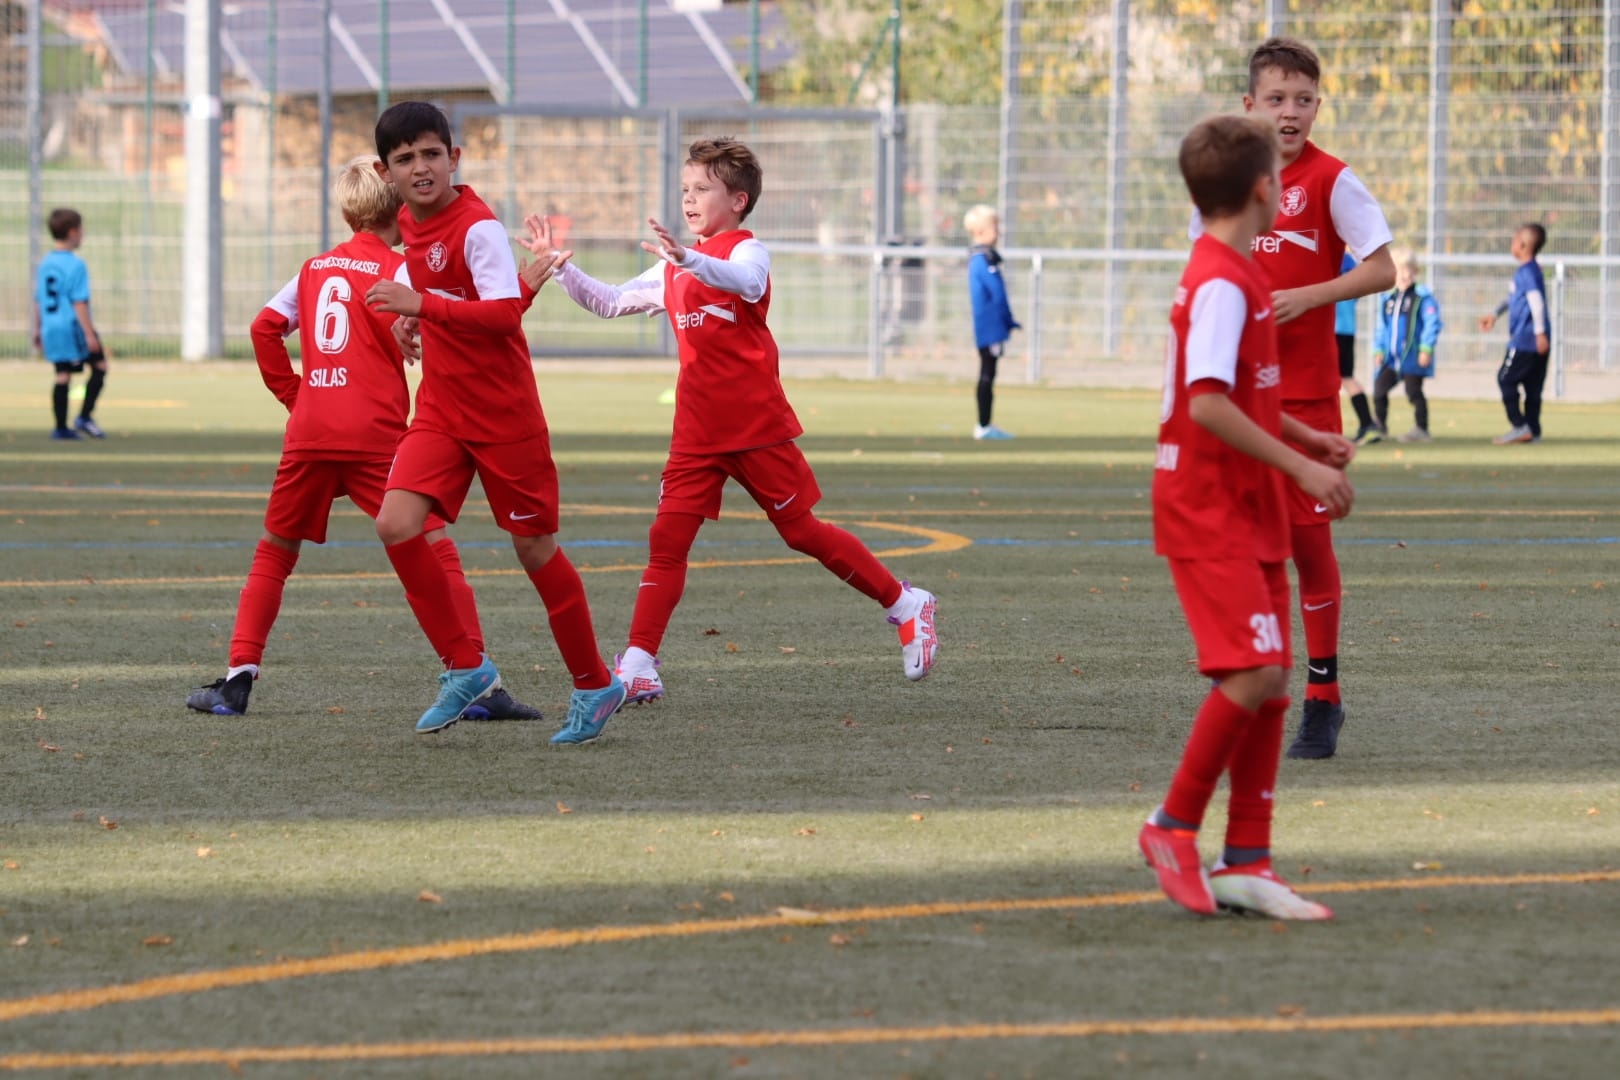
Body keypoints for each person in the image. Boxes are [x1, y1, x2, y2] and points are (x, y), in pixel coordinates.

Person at [521, 136, 940, 709]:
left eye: (702, 189)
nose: (689, 199)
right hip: (697, 433)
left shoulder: (748, 251)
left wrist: (689, 259)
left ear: (738, 200)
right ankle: (639, 664)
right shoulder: (675, 264)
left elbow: (746, 283)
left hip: (755, 427)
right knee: (667, 541)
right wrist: (559, 267)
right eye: (685, 189)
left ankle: (906, 604)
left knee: (801, 532)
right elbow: (610, 301)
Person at [183, 158, 543, 724]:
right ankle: (478, 679)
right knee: (434, 545)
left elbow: (263, 327)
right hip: (375, 434)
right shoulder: (402, 268)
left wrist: (297, 396)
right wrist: (523, 288)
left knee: (275, 550)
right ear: (399, 205)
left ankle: (237, 680)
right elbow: (465, 322)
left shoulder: (314, 268)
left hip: (311, 431)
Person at [1141, 113, 1353, 920]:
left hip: (1246, 501)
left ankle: (1247, 861)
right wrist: (1302, 466)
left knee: (1271, 683)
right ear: (1265, 189)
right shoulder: (1225, 281)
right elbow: (1205, 403)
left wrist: (1305, 437)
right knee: (1255, 672)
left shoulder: (1235, 272)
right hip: (1210, 505)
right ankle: (1171, 825)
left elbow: (1243, 389)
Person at [363, 101, 624, 742]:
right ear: (386, 171)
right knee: (396, 523)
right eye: (405, 159)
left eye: (432, 154)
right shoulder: (408, 222)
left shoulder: (478, 226)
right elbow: (451, 296)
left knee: (534, 550)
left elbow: (503, 316)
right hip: (442, 410)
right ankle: (467, 668)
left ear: (454, 157)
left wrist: (421, 305)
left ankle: (596, 684)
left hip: (505, 416)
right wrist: (410, 323)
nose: (421, 168)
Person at [1229, 36, 1395, 760]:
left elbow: (1384, 270)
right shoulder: (1233, 180)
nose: (1289, 112)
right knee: (1244, 551)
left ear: (1318, 106)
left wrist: (1311, 295)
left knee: (1307, 546)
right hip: (1239, 401)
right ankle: (1257, 688)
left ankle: (1323, 696)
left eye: (1302, 100)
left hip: (1305, 400)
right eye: (1276, 99)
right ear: (1251, 105)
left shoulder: (1333, 180)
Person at [32, 208, 109, 440]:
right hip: (72, 327)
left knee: (63, 374)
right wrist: (89, 333)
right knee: (100, 366)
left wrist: (37, 328)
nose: (83, 234)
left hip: (51, 327)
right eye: (82, 230)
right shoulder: (76, 265)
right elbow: (79, 302)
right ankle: (84, 417)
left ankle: (60, 428)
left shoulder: (45, 263)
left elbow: (38, 299)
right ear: (73, 232)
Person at [1480, 223, 1550, 444]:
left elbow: (1536, 302)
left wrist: (1539, 333)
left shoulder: (1526, 272)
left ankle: (1520, 426)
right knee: (1532, 387)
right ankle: (1533, 431)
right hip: (1536, 340)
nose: (1511, 244)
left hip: (1525, 340)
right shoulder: (1532, 270)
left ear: (1522, 245)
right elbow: (1514, 299)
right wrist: (1495, 314)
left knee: (1505, 378)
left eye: (1513, 240)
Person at [1370, 246, 1442, 444]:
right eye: (1398, 270)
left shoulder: (1422, 298)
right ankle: (1380, 426)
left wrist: (1426, 348)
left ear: (1415, 271)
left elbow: (1432, 324)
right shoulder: (1388, 299)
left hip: (1412, 357)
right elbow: (1381, 327)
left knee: (1414, 392)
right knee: (1379, 389)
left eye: (1406, 269)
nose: (1402, 275)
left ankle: (1421, 429)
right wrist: (1378, 349)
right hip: (1391, 359)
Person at [963, 204, 1019, 440]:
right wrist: (1007, 320)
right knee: (987, 373)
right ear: (980, 231)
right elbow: (997, 294)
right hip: (990, 328)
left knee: (989, 373)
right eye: (994, 226)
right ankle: (984, 425)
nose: (998, 232)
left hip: (990, 327)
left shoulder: (984, 259)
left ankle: (985, 424)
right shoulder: (982, 260)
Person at [1335, 253, 1378, 442]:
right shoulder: (1350, 262)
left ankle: (1367, 423)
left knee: (1339, 378)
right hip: (1347, 329)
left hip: (1332, 330)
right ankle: (1367, 423)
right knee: (1346, 377)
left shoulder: (1335, 259)